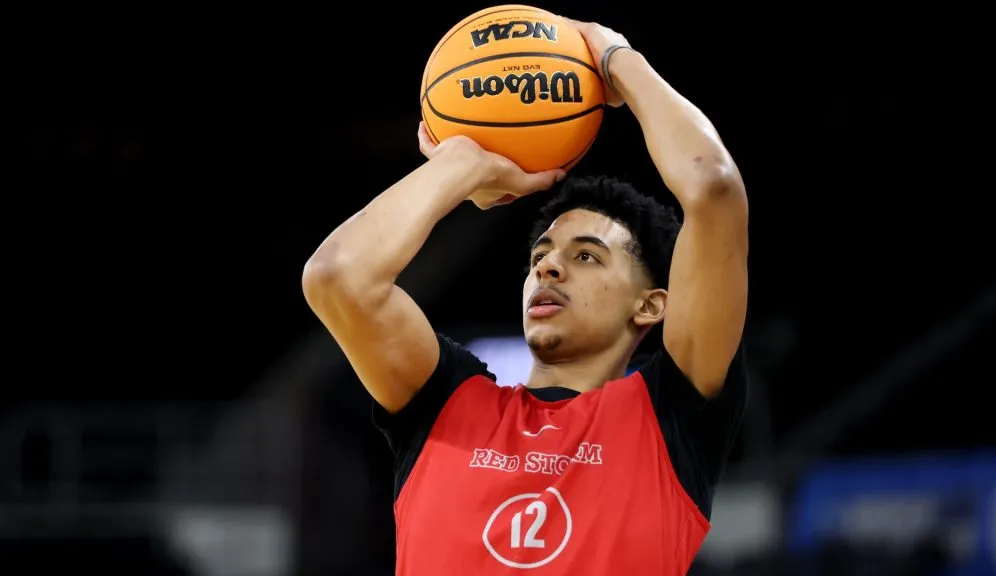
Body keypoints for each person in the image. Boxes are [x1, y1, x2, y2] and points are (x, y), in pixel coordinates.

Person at [302, 16, 750, 576]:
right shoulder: (445, 403)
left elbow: (713, 186)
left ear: (651, 305)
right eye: (540, 256)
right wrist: (463, 163)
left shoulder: (674, 417)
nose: (549, 268)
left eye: (586, 256)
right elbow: (337, 276)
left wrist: (616, 58)